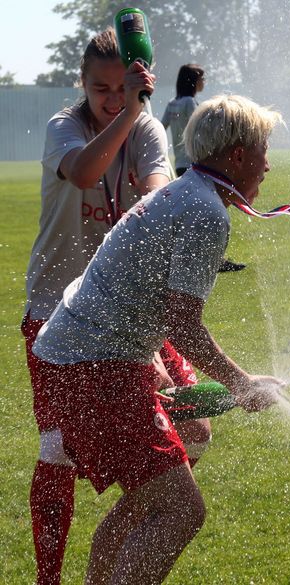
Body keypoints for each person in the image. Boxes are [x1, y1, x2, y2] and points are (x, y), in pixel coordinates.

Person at [31, 94, 285, 584]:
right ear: (237, 155)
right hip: (96, 368)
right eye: (263, 150)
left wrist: (152, 362)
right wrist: (241, 382)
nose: (268, 165)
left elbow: (142, 298)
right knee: (181, 512)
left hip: (79, 361)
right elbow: (184, 324)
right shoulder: (206, 211)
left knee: (155, 493)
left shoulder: (186, 191)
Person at [22, 29, 210, 585]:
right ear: (82, 84)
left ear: (139, 81)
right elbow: (82, 173)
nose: (109, 97)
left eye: (119, 87)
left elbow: (158, 197)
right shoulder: (66, 127)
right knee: (57, 451)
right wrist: (127, 113)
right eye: (99, 88)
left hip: (127, 319)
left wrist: (136, 118)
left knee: (197, 426)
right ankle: (49, 579)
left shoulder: (147, 127)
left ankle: (119, 529)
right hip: (56, 317)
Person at [162, 63, 246, 273]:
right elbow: (201, 130)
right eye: (201, 78)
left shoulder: (172, 104)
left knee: (193, 212)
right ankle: (214, 258)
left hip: (180, 164)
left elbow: (161, 127)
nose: (204, 82)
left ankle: (201, 256)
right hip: (197, 164)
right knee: (211, 210)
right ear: (193, 81)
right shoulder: (191, 103)